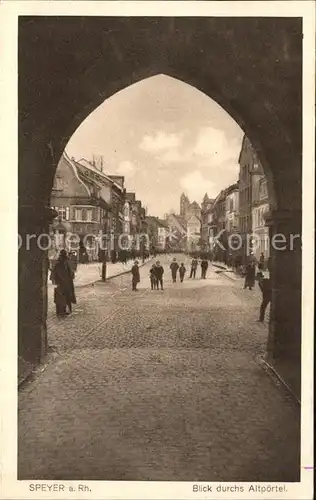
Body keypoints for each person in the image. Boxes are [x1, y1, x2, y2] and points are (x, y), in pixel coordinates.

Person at [51, 249, 76, 316]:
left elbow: (71, 272)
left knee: (63, 297)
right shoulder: (60, 264)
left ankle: (62, 311)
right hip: (63, 283)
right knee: (62, 297)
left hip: (64, 283)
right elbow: (56, 273)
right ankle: (61, 311)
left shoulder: (63, 263)